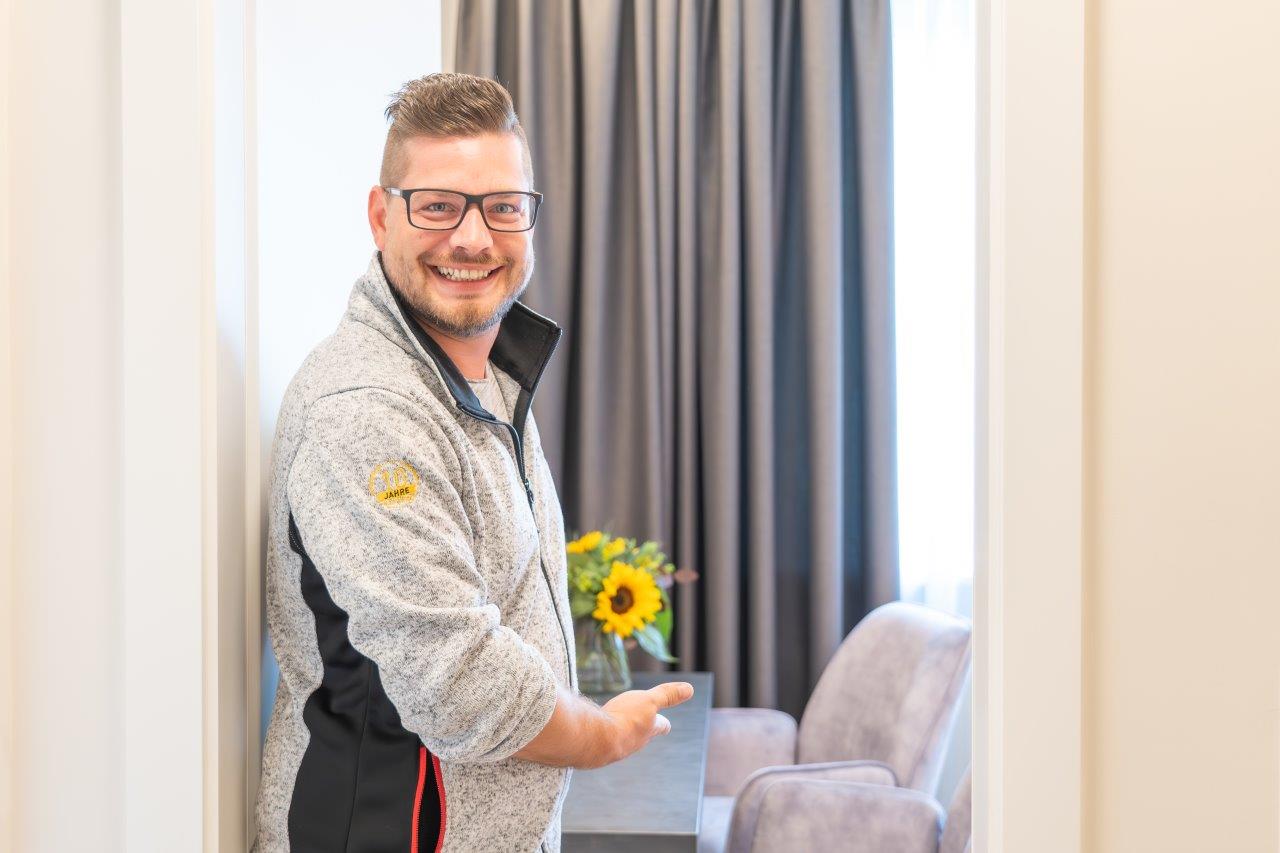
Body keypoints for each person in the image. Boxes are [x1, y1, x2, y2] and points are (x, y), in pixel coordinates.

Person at [252, 72, 694, 853]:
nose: (472, 238)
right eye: (437, 205)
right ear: (380, 215)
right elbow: (461, 683)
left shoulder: (482, 372)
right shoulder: (367, 410)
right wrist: (602, 735)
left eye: (502, 206)